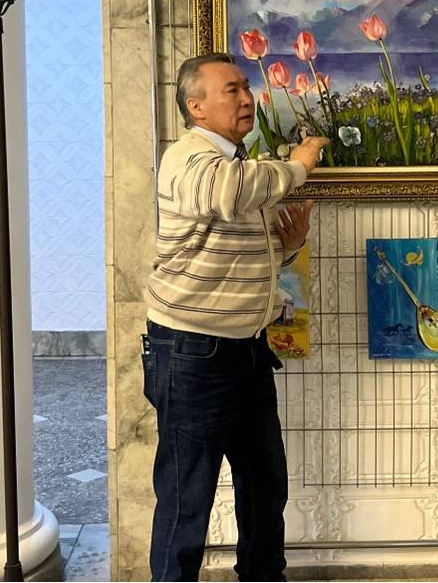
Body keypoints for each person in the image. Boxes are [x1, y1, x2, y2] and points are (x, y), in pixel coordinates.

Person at [142, 52, 329, 582]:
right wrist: (299, 166)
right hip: (192, 352)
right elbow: (229, 195)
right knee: (187, 499)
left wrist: (287, 248)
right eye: (232, 90)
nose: (247, 98)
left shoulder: (235, 162)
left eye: (246, 87)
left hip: (246, 348)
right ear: (196, 106)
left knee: (265, 486)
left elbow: (227, 255)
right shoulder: (190, 158)